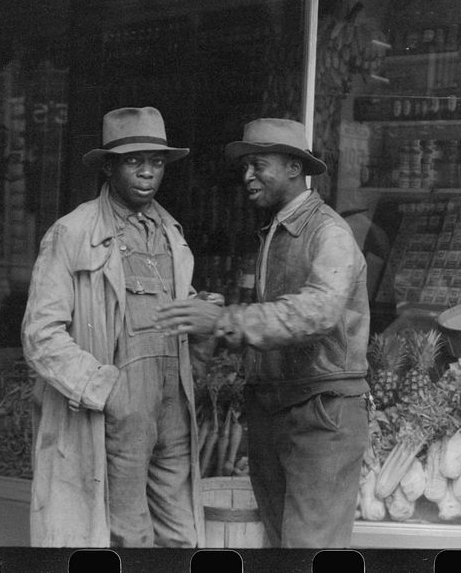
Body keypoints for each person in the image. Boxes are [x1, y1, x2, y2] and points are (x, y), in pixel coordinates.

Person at [153, 118, 370, 548]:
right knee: (279, 543)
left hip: (321, 413)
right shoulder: (277, 229)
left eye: (258, 165)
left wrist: (223, 321)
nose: (247, 176)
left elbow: (316, 312)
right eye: (245, 166)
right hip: (276, 410)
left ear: (294, 167)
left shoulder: (329, 232)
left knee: (311, 548)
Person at [21, 106, 204, 547]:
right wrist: (107, 389)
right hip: (119, 403)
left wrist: (200, 316)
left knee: (183, 534)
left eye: (156, 162)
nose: (147, 173)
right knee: (129, 535)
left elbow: (168, 303)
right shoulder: (73, 233)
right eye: (134, 161)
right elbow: (40, 334)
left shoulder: (170, 231)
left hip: (171, 402)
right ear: (109, 166)